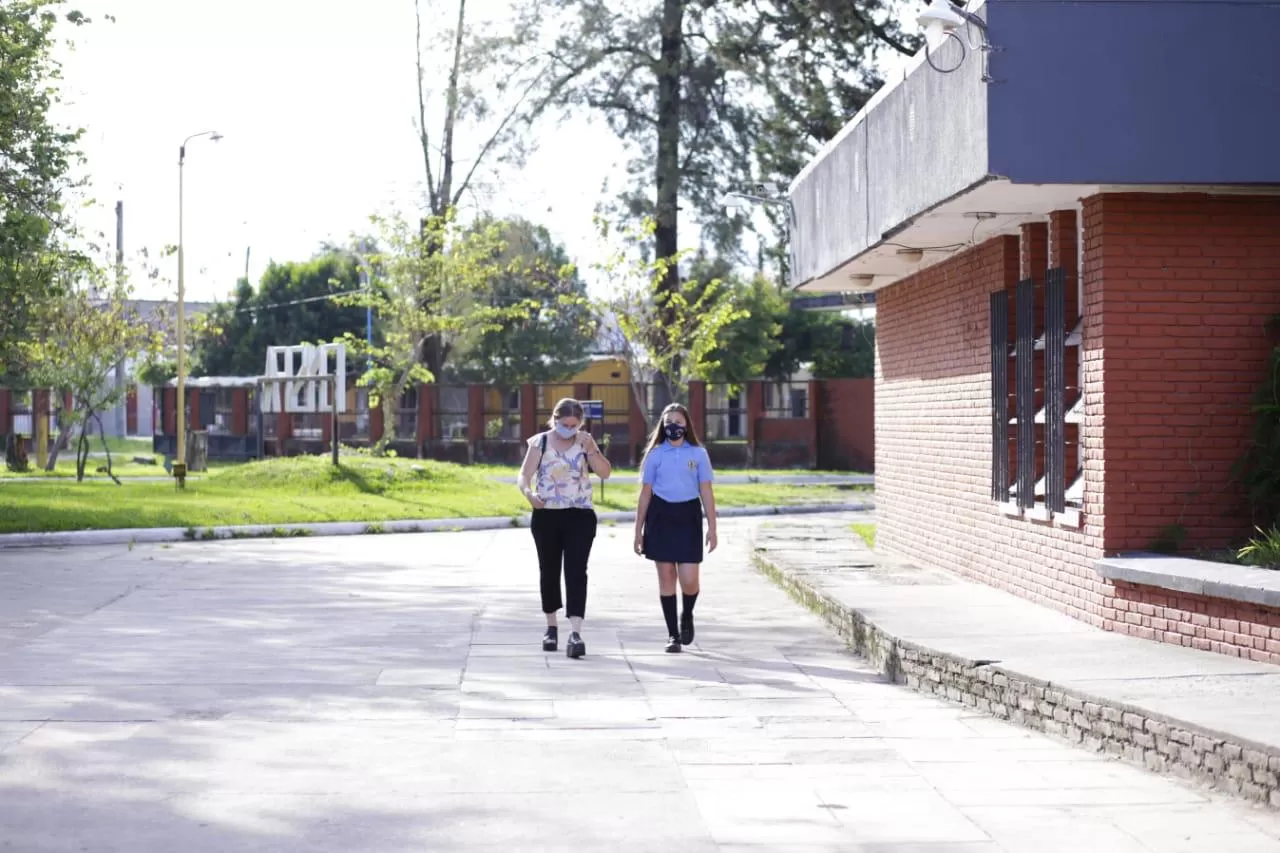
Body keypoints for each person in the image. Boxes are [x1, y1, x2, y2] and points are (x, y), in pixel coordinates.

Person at [517, 397, 612, 658]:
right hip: (547, 514)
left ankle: (576, 632)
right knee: (549, 569)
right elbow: (524, 474)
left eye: (574, 424)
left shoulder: (585, 442)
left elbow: (604, 473)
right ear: (554, 420)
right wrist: (528, 493)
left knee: (576, 571)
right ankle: (550, 627)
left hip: (579, 514)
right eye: (564, 423)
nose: (569, 428)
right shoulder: (541, 442)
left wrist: (592, 449)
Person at [633, 402, 718, 653]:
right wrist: (638, 530)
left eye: (678, 422)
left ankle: (687, 614)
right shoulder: (656, 455)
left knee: (689, 580)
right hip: (661, 516)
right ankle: (673, 635)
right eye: (669, 422)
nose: (674, 427)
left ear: (687, 425)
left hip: (688, 515)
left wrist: (713, 528)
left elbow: (706, 491)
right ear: (662, 425)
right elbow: (645, 494)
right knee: (666, 576)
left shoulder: (698, 454)